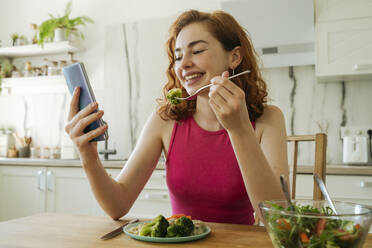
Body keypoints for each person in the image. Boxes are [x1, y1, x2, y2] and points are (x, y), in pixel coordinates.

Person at [65, 10, 288, 225]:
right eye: (178, 56)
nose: (183, 64)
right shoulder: (165, 119)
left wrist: (239, 129)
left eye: (198, 51)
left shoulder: (269, 119)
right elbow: (117, 205)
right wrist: (89, 157)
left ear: (234, 57)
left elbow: (279, 218)